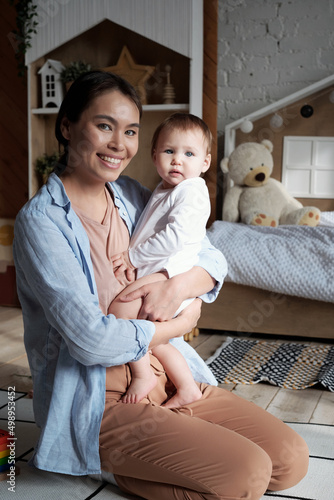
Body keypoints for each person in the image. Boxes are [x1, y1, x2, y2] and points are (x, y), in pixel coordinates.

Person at [13, 71, 309, 500]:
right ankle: (97, 459)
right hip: (101, 397)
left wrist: (179, 287)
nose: (120, 144)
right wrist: (181, 320)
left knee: (289, 459)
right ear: (67, 127)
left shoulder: (134, 194)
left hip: (167, 372)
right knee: (245, 476)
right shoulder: (41, 223)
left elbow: (211, 256)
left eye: (130, 131)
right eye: (104, 126)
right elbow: (91, 342)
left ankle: (162, 448)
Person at [109, 113, 213, 408]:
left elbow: (175, 237)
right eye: (169, 151)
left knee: (120, 309)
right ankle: (188, 388)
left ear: (204, 162)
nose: (177, 160)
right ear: (155, 156)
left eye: (189, 153)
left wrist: (132, 256)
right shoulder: (166, 188)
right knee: (159, 342)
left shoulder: (191, 191)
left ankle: (143, 375)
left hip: (171, 275)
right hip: (162, 272)